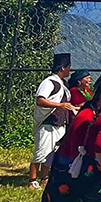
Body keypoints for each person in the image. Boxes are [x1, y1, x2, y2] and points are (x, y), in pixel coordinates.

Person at [40, 77, 101, 202]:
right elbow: (77, 144)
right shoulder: (87, 115)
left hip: (73, 163)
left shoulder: (93, 112)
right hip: (69, 165)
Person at [31, 52, 76, 189]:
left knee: (52, 153)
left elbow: (65, 103)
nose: (69, 70)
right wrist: (59, 105)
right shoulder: (49, 82)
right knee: (41, 151)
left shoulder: (64, 84)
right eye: (68, 67)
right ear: (62, 68)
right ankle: (32, 180)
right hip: (48, 122)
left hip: (60, 123)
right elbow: (40, 100)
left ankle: (45, 177)